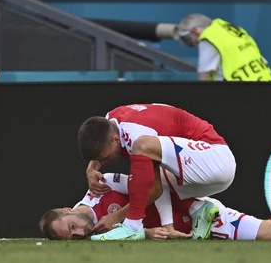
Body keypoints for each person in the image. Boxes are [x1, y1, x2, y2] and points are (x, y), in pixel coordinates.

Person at [40, 172, 271, 241]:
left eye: (72, 227)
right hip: (186, 233)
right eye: (73, 236)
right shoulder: (95, 240)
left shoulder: (101, 186)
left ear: (68, 210)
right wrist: (148, 232)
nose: (80, 232)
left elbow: (151, 184)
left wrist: (121, 217)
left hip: (195, 210)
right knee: (270, 231)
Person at [78, 103, 236, 240]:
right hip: (198, 169)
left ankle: (132, 227)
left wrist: (118, 216)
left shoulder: (136, 136)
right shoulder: (110, 122)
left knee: (143, 149)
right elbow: (156, 186)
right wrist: (91, 168)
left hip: (215, 160)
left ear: (115, 140)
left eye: (105, 158)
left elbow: (153, 191)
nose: (104, 163)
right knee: (147, 174)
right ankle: (198, 211)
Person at [177, 14, 271, 81]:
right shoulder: (231, 30)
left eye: (192, 41)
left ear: (195, 32)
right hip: (268, 83)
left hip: (243, 94)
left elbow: (204, 78)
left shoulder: (208, 37)